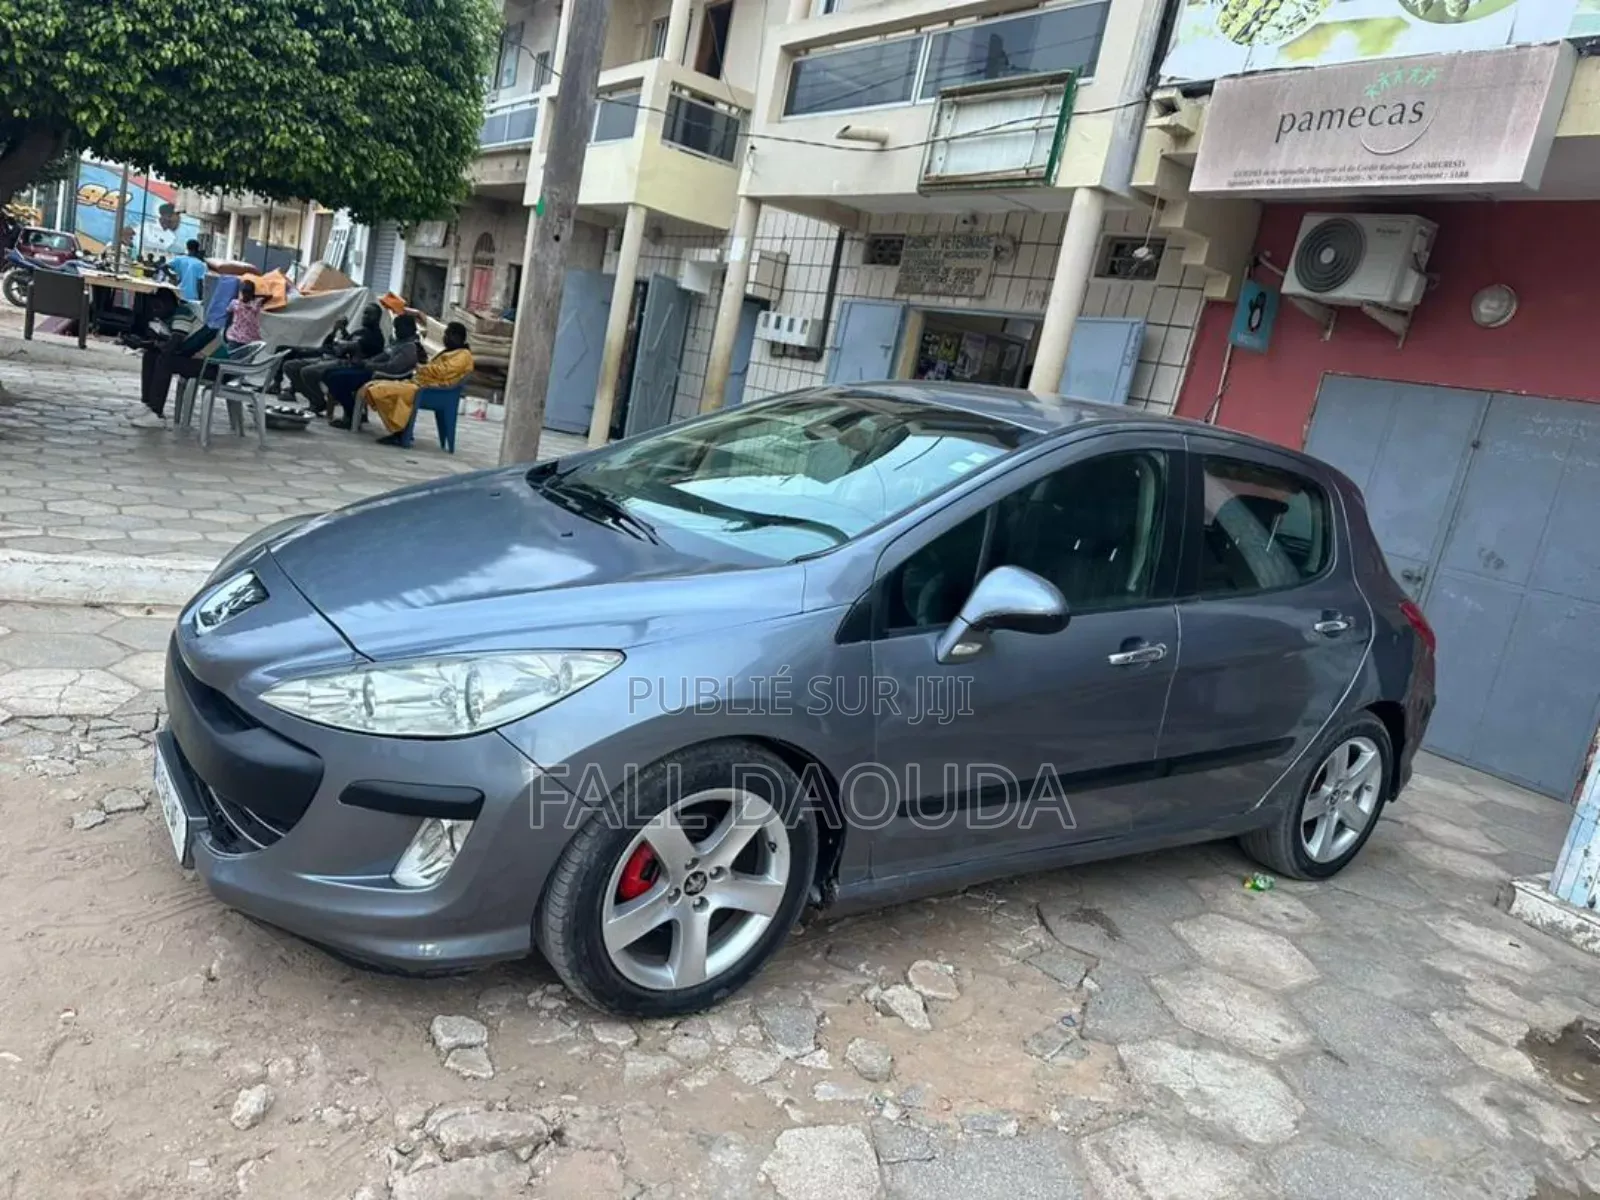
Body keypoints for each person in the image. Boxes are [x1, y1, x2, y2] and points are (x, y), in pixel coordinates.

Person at [360, 321, 474, 446]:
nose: (444, 338)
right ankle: (401, 429)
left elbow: (443, 372)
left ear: (456, 337)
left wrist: (421, 367)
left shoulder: (464, 355)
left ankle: (400, 432)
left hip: (433, 391)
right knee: (373, 387)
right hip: (420, 384)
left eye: (447, 335)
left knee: (382, 391)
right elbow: (433, 368)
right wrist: (423, 361)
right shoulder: (450, 352)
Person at [283, 302, 385, 413]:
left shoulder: (376, 336)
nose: (365, 316)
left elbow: (355, 347)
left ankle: (318, 402)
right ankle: (315, 400)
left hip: (348, 365)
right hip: (332, 358)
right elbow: (332, 346)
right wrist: (336, 330)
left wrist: (345, 345)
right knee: (290, 366)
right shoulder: (358, 332)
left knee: (307, 372)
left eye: (369, 314)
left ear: (377, 318)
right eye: (364, 313)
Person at [326, 314, 424, 429]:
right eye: (395, 328)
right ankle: (353, 413)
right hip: (374, 370)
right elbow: (383, 356)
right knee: (330, 374)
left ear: (409, 328)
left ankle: (352, 414)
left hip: (384, 376)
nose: (396, 331)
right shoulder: (399, 343)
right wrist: (365, 362)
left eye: (399, 328)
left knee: (336, 379)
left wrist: (368, 365)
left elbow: (391, 368)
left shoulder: (411, 347)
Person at [225, 278, 267, 348]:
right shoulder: (235, 303)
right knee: (240, 357)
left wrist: (254, 296)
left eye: (248, 292)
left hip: (243, 338)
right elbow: (229, 316)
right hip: (243, 338)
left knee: (240, 357)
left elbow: (269, 296)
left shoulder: (255, 303)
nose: (245, 295)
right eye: (245, 292)